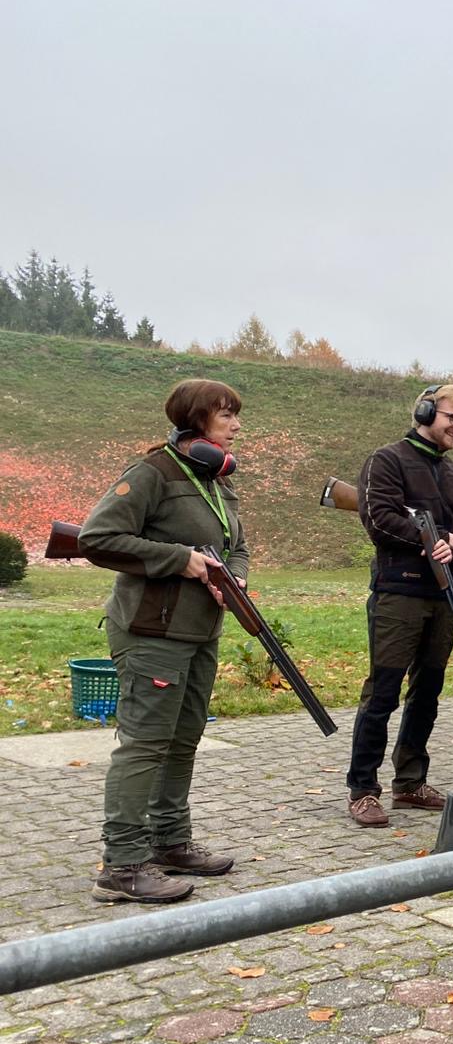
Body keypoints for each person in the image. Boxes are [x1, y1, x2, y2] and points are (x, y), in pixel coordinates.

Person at [78, 379, 249, 903]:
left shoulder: (216, 482)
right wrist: (180, 560)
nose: (236, 425)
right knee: (146, 743)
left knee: (183, 739)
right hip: (153, 631)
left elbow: (236, 544)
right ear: (196, 420)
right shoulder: (153, 472)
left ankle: (169, 841)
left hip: (199, 630)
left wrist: (235, 576)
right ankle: (122, 865)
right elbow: (97, 537)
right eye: (226, 415)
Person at [346, 384, 453, 828]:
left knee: (427, 693)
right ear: (425, 412)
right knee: (383, 693)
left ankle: (410, 782)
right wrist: (438, 540)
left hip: (445, 597)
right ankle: (363, 789)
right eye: (451, 417)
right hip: (399, 594)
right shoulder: (387, 460)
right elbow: (379, 519)